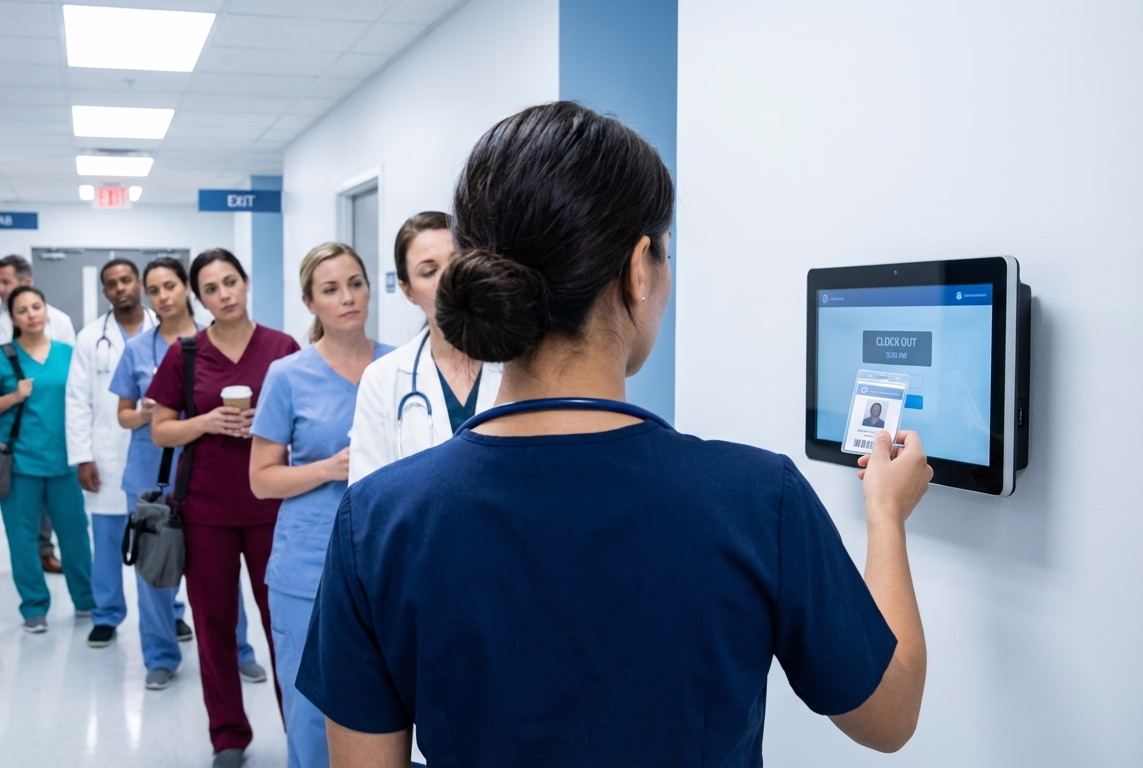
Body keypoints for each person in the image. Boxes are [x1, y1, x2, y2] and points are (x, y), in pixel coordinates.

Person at [298, 102, 933, 767]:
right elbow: (889, 716)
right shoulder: (755, 499)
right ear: (639, 268)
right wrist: (886, 515)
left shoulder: (379, 520)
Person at [147, 249, 298, 768]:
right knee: (213, 624)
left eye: (230, 282)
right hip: (205, 508)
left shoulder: (282, 348)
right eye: (210, 289)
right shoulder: (186, 353)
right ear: (200, 297)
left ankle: (299, 728)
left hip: (271, 505)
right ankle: (228, 735)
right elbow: (161, 428)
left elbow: (306, 418)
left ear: (246, 282)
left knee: (284, 622)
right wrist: (207, 422)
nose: (224, 294)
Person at [249, 243, 394, 768]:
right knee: (310, 712)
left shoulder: (400, 367)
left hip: (387, 559)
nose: (348, 297)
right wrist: (329, 469)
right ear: (310, 303)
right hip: (305, 564)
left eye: (356, 283)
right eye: (331, 289)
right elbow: (261, 480)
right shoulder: (287, 376)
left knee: (387, 705)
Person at [109, 257, 268, 691]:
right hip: (153, 477)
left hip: (210, 477)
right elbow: (124, 414)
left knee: (222, 577)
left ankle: (241, 651)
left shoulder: (217, 341)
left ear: (186, 290)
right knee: (157, 571)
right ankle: (161, 656)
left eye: (170, 286)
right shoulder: (140, 350)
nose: (163, 297)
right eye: (154, 290)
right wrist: (148, 414)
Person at [348, 212, 502, 484]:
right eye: (429, 272)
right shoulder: (383, 379)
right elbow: (367, 496)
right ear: (408, 290)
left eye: (458, 262)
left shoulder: (520, 362)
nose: (449, 279)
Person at [0, 286, 94, 633]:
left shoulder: (69, 354)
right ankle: (34, 607)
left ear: (46, 310)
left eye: (36, 307)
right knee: (23, 538)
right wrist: (13, 396)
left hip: (65, 462)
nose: (31, 315)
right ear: (13, 318)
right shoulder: (0, 356)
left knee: (75, 534)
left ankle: (85, 601)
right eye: (22, 310)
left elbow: (86, 402)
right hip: (19, 464)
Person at [64, 259, 168, 652]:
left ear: (139, 283)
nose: (121, 287)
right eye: (112, 283)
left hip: (156, 456)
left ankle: (169, 613)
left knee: (161, 538)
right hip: (107, 455)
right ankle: (106, 615)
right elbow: (76, 402)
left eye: (127, 280)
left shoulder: (166, 329)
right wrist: (82, 457)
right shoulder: (91, 338)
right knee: (107, 540)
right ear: (105, 291)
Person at [0, 254, 75, 580]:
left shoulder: (58, 321)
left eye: (5, 281)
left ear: (25, 281)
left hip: (39, 424)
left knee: (40, 490)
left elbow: (69, 371)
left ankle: (45, 550)